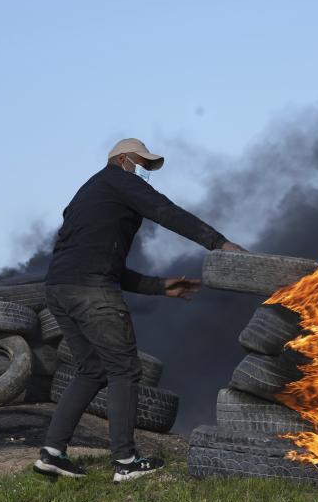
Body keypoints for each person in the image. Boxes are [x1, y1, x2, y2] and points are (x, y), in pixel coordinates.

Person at [34, 137, 245, 482]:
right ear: (123, 159)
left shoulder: (89, 194)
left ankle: (52, 453)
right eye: (143, 164)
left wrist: (160, 287)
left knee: (91, 370)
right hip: (89, 291)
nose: (145, 172)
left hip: (60, 289)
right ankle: (126, 461)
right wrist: (219, 243)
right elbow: (167, 212)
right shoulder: (119, 181)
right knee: (125, 370)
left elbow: (106, 266)